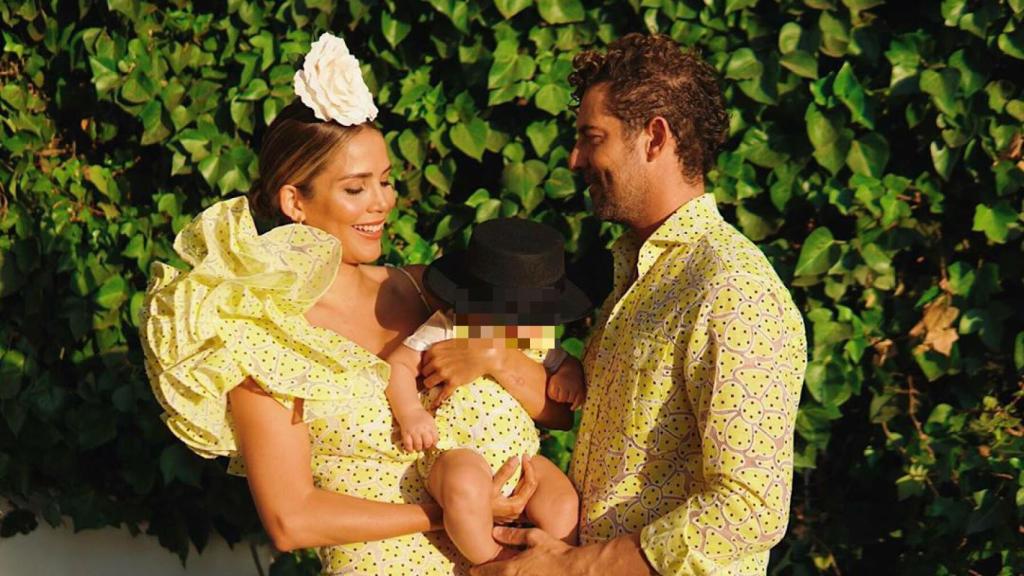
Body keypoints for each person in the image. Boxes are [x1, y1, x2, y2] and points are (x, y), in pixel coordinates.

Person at [139, 32, 573, 575]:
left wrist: (495, 358)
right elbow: (291, 519)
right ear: (295, 200)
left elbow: (558, 409)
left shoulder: (430, 288)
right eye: (356, 188)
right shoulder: (259, 330)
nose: (382, 202)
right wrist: (449, 512)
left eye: (386, 181)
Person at [473, 33, 808, 576]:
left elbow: (750, 507)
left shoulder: (731, 289)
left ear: (654, 137)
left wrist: (574, 568)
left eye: (593, 137)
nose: (575, 158)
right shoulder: (637, 274)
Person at [386, 218, 589, 564]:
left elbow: (562, 362)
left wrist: (567, 377)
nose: (515, 326)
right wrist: (411, 412)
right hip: (458, 449)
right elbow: (398, 365)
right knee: (464, 487)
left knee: (563, 500)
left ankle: (558, 560)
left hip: (522, 454)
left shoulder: (530, 336)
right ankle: (492, 562)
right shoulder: (448, 326)